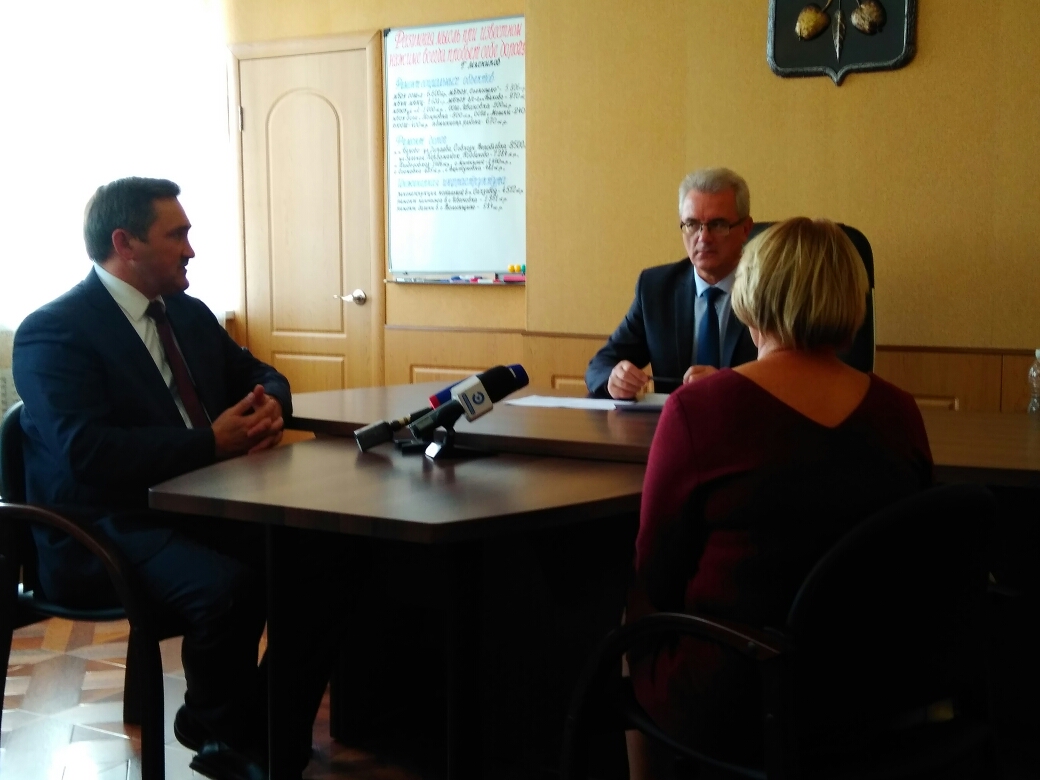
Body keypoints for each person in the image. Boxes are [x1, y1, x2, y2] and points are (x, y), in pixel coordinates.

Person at [12, 177, 344, 780]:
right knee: (228, 589)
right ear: (125, 243)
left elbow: (260, 373)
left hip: (199, 508)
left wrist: (271, 402)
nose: (192, 249)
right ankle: (236, 734)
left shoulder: (187, 314)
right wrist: (211, 443)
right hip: (103, 527)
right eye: (178, 235)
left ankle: (244, 731)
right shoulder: (54, 332)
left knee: (324, 563)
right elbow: (87, 453)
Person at [624, 218, 933, 777]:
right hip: (875, 686)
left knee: (630, 615)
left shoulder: (701, 410)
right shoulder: (899, 411)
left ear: (749, 297)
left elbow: (655, 571)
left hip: (740, 693)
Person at [585, 168, 759, 399]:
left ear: (745, 229)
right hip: (671, 420)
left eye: (717, 225)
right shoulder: (656, 288)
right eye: (692, 224)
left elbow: (790, 378)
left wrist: (726, 386)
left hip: (744, 419)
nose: (703, 237)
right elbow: (600, 364)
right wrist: (614, 379)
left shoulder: (769, 291)